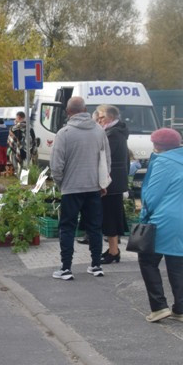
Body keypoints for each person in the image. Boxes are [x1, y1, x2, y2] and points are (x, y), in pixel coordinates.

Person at [138, 128, 183, 323]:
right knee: (176, 264)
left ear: (157, 145)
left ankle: (159, 307)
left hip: (166, 219)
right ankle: (181, 309)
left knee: (147, 260)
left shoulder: (164, 162)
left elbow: (152, 195)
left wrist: (144, 216)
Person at [50, 96, 110, 281]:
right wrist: (103, 183)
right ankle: (96, 265)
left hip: (71, 188)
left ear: (68, 112)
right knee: (94, 227)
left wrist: (61, 183)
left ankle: (66, 268)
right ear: (85, 110)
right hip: (93, 187)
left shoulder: (64, 133)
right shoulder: (99, 131)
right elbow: (106, 160)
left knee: (67, 227)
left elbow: (56, 165)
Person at [98, 105, 129, 264]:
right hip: (115, 181)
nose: (99, 119)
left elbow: (103, 158)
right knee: (111, 216)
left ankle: (114, 251)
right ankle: (112, 249)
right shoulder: (115, 132)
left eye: (102, 117)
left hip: (111, 183)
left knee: (110, 217)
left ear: (111, 117)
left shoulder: (113, 134)